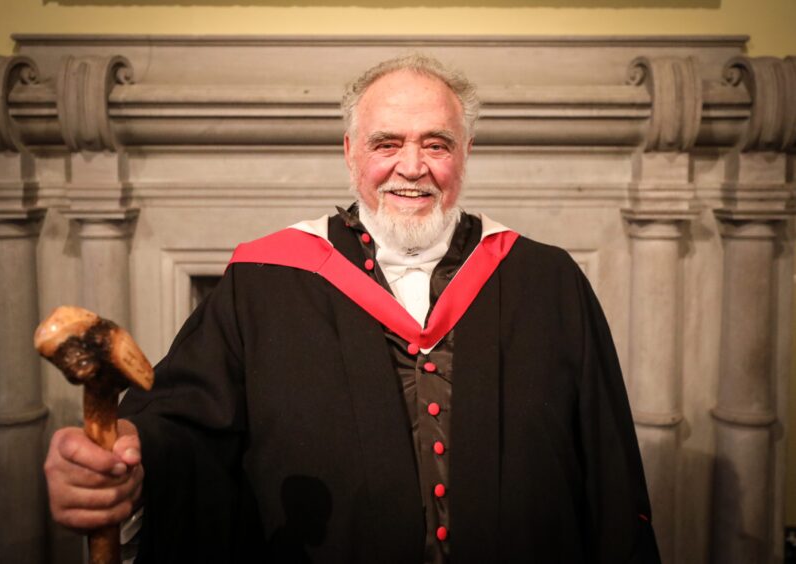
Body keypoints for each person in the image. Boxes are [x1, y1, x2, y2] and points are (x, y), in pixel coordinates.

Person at [44, 54, 661, 563]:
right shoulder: (263, 281)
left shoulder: (546, 281)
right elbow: (182, 427)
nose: (412, 167)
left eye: (437, 144)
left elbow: (608, 472)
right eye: (386, 143)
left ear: (466, 153)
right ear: (349, 152)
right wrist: (129, 458)